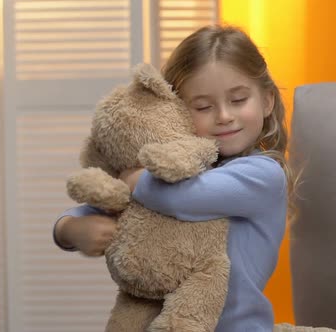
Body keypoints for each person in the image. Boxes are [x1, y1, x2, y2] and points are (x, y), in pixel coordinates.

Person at [53, 24, 296, 332]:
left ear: (267, 101)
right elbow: (110, 202)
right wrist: (71, 228)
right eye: (203, 106)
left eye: (238, 100)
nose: (224, 115)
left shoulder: (263, 174)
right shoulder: (167, 171)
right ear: (177, 111)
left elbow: (185, 197)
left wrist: (131, 179)